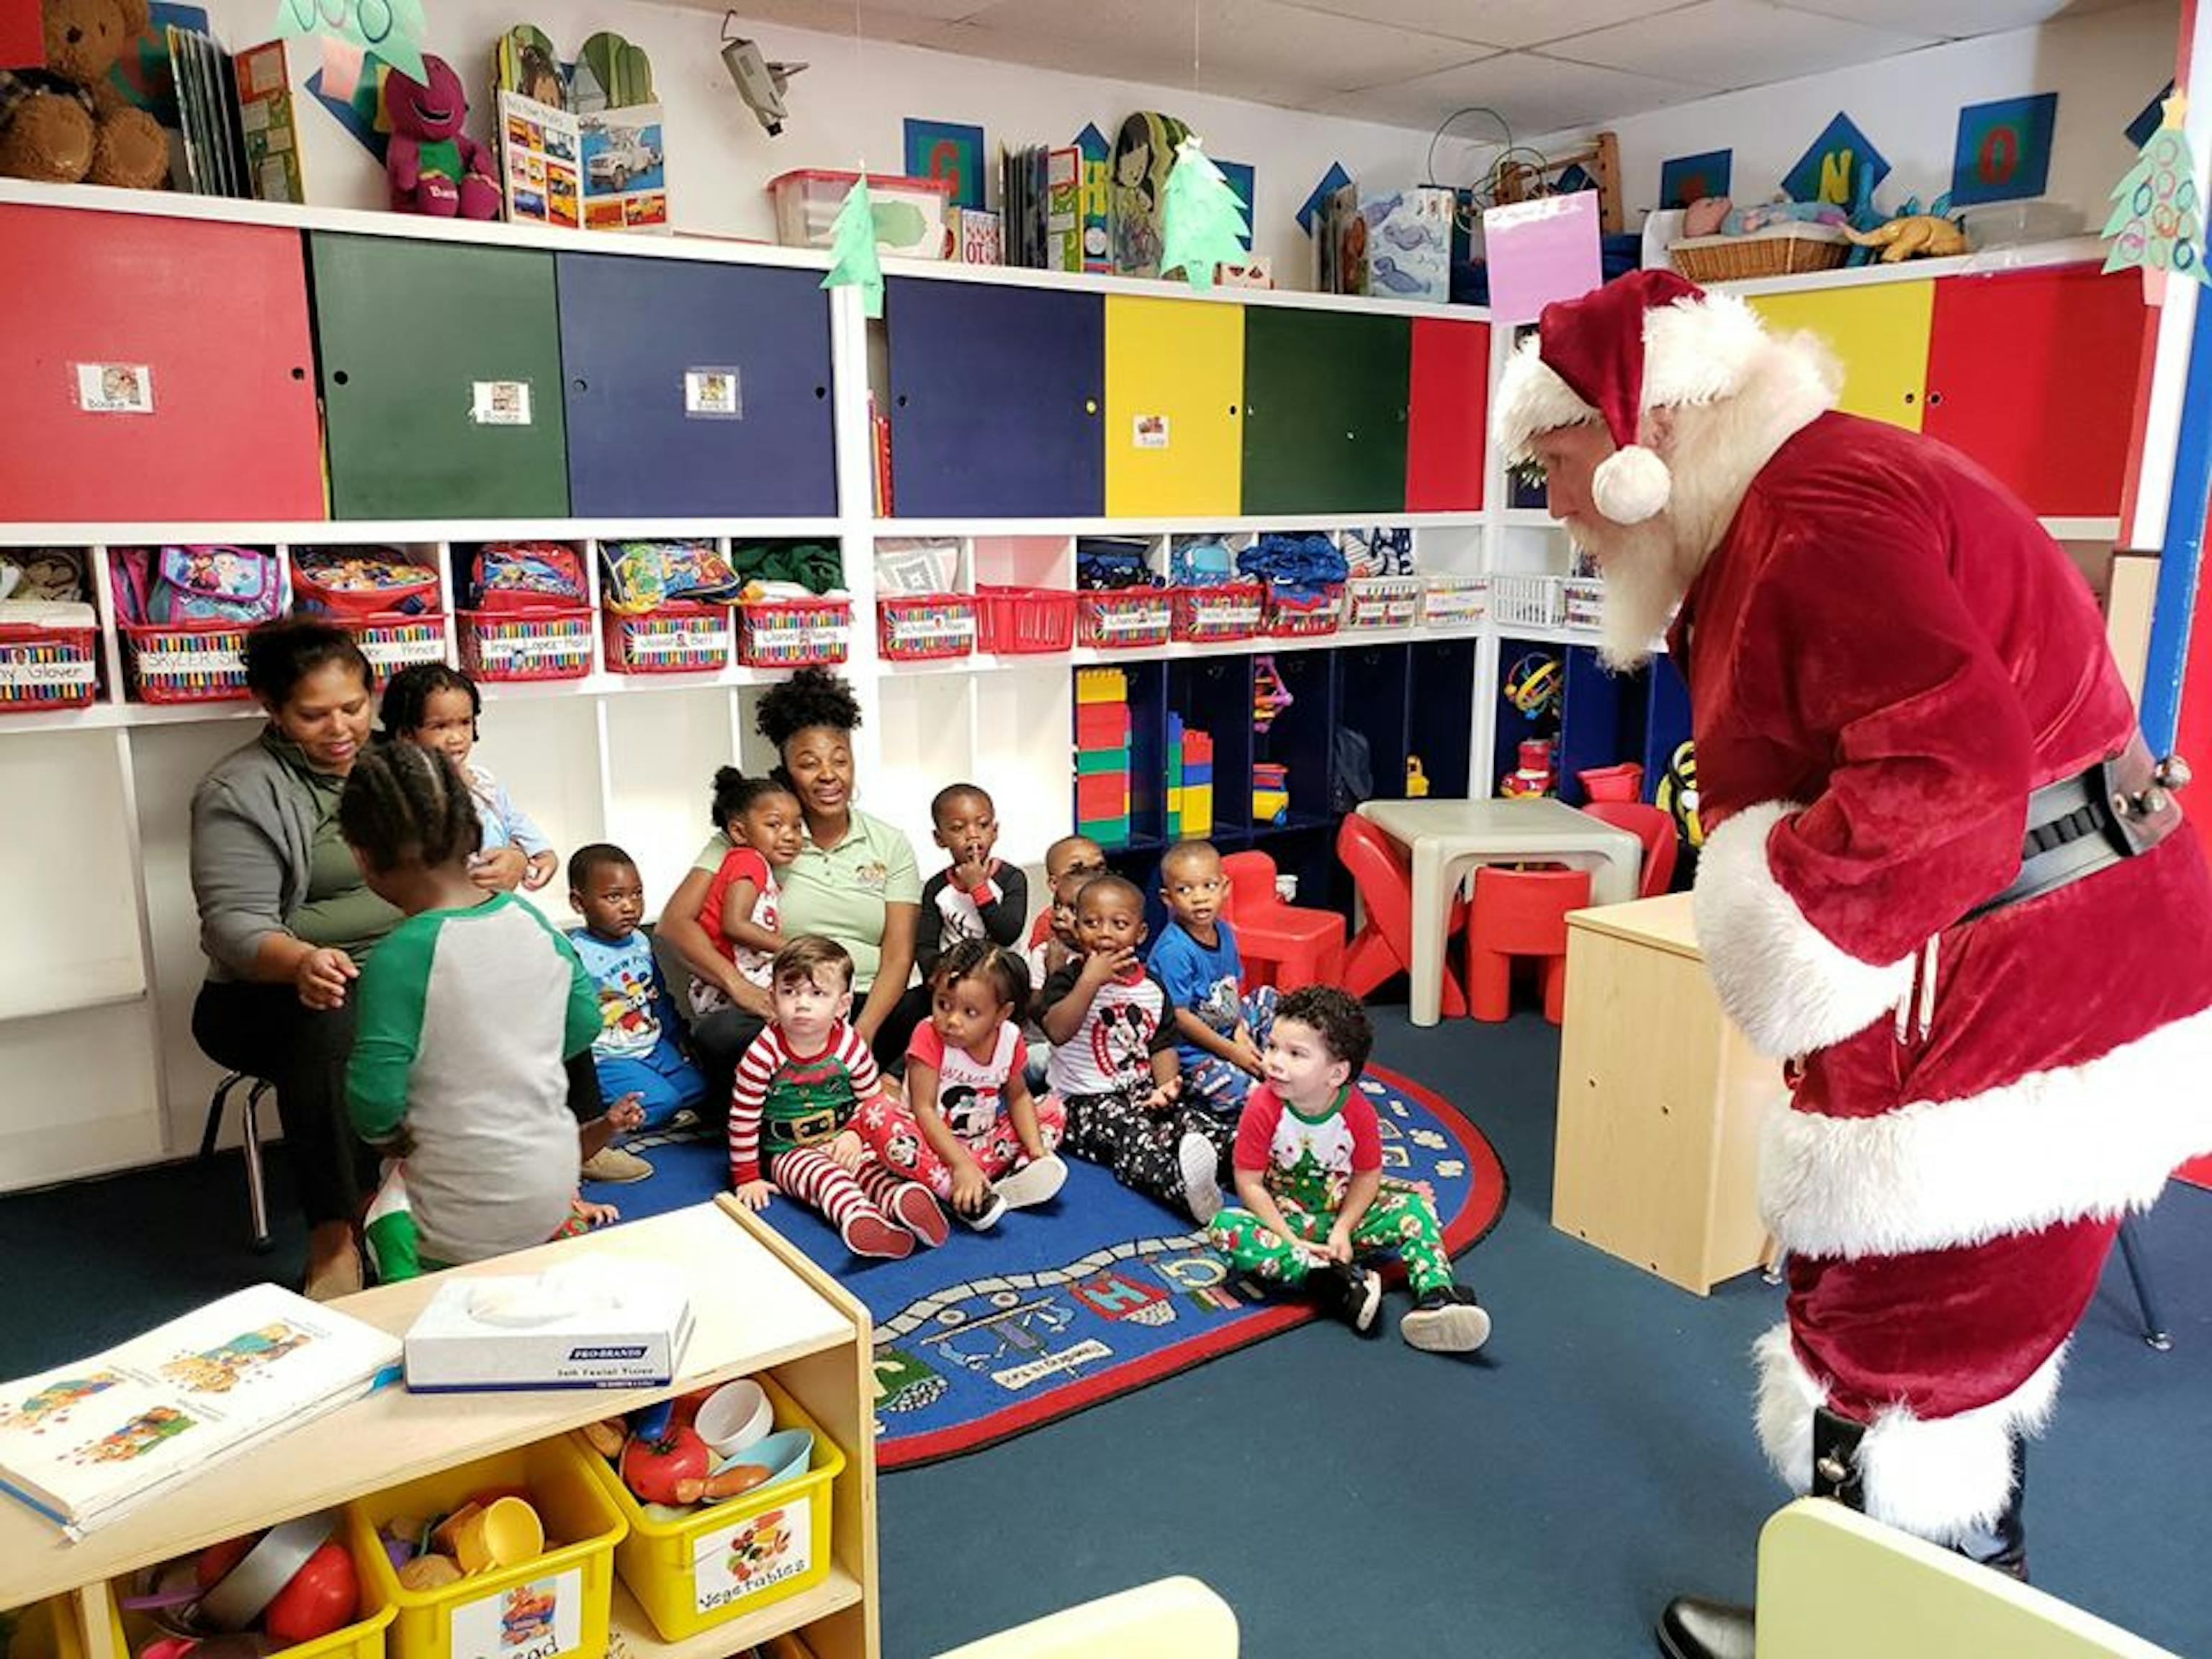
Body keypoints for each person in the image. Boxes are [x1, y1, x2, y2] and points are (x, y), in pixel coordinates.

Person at [1491, 268, 2212, 1658]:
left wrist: (1783, 922)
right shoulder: (1801, 495)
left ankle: (1863, 1635)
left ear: (1643, 427)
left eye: (1555, 460)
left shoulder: (1807, 523)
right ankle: (1905, 1616)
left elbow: (1947, 773)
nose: (1556, 500)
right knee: (1935, 1343)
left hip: (2017, 988)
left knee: (1900, 1342)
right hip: (2050, 957)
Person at [336, 742, 615, 1276]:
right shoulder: (532, 921)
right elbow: (584, 1021)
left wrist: (393, 1136)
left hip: (458, 1203)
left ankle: (414, 1294)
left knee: (384, 1219)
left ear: (363, 858)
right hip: (553, 1182)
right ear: (474, 831)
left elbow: (375, 1098)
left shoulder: (397, 957)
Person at [189, 621, 393, 1300]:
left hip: (397, 970)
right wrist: (303, 960)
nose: (340, 729)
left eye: (353, 707)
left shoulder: (400, 763)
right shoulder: (239, 789)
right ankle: (335, 1238)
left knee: (533, 949)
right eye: (313, 714)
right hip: (267, 993)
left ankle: (574, 1145)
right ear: (271, 708)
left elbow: (453, 854)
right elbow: (233, 926)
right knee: (331, 1015)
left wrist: (502, 860)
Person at [658, 669, 923, 1091]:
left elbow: (898, 956)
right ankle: (831, 1093)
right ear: (786, 769)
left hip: (868, 1004)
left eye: (840, 760)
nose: (828, 775)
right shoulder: (750, 836)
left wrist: (862, 1035)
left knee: (945, 1002)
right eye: (808, 763)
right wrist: (738, 987)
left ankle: (857, 1082)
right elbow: (674, 925)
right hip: (788, 1009)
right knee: (721, 1035)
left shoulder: (889, 843)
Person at [1205, 986, 1488, 1351]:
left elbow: (1367, 1175)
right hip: (1288, 1224)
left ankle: (1436, 1296)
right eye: (1272, 1047)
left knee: (1414, 1208)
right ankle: (1329, 1281)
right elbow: (1249, 1182)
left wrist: (1343, 1228)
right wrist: (1291, 1241)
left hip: (1344, 1220)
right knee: (1225, 1227)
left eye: (1295, 1054)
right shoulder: (1261, 1106)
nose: (1274, 1061)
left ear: (1337, 1073)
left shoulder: (1357, 1112)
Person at [729, 935, 948, 1260]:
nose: (802, 1004)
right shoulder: (763, 1054)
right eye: (790, 992)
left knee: (870, 1168)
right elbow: (743, 1118)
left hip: (845, 1136)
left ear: (842, 1005)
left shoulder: (850, 1045)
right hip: (790, 1150)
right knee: (825, 1179)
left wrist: (856, 1136)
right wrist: (747, 1177)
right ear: (773, 999)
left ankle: (900, 1201)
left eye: (817, 994)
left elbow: (872, 1102)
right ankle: (860, 1218)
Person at [1038, 872, 1228, 1222]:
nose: (1104, 932)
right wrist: (1089, 981)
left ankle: (1248, 1163)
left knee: (1191, 1120)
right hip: (1082, 1103)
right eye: (1092, 923)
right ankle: (1183, 1189)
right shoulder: (1067, 979)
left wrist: (1165, 1088)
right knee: (1133, 1135)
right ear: (1077, 930)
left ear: (1140, 934)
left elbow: (1162, 1043)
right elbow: (1057, 1031)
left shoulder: (1151, 987)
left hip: (1140, 1092)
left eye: (1119, 924)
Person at [858, 940, 1068, 1229]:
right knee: (875, 1112)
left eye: (970, 1013)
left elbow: (1019, 1096)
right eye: (943, 1005)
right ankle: (958, 1194)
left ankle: (1017, 1175)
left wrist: (1035, 1151)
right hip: (929, 1146)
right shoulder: (928, 1034)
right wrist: (960, 1166)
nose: (952, 1020)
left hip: (981, 1145)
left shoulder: (1009, 1038)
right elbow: (923, 1109)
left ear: (1002, 1014)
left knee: (1053, 1107)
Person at [565, 842, 712, 1177]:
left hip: (650, 1045)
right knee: (664, 1102)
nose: (630, 907)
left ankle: (653, 1105)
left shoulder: (640, 942)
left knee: (701, 1089)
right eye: (614, 897)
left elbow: (657, 995)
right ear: (579, 902)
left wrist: (679, 1037)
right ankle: (605, 1125)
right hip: (609, 1056)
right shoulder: (575, 952)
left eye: (637, 894)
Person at [378, 662, 557, 894]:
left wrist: (541, 851)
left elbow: (513, 818)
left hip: (499, 898)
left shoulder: (483, 781)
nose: (457, 737)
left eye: (465, 722)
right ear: (406, 734)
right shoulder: (411, 795)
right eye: (440, 726)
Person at [1150, 839, 1276, 1110]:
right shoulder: (1174, 950)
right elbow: (1181, 1018)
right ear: (1168, 898)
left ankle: (1272, 1062)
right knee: (1248, 1094)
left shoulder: (1225, 932)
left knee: (1268, 997)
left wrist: (1240, 1035)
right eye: (1184, 889)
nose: (1199, 897)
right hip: (1192, 1054)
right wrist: (1232, 1052)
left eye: (1209, 885)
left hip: (1227, 1030)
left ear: (1225, 887)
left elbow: (1232, 989)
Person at [691, 768, 804, 1017]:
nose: (790, 836)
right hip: (734, 983)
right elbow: (734, 925)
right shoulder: (749, 861)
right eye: (774, 825)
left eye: (797, 826)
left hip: (744, 977)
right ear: (739, 832)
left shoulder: (758, 866)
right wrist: (795, 947)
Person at [915, 783, 1028, 981]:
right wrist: (940, 975)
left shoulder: (1011, 878)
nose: (973, 835)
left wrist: (979, 888)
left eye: (983, 825)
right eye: (958, 828)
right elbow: (925, 946)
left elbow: (1008, 934)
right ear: (939, 838)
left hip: (1004, 978)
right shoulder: (936, 888)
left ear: (995, 831)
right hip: (957, 978)